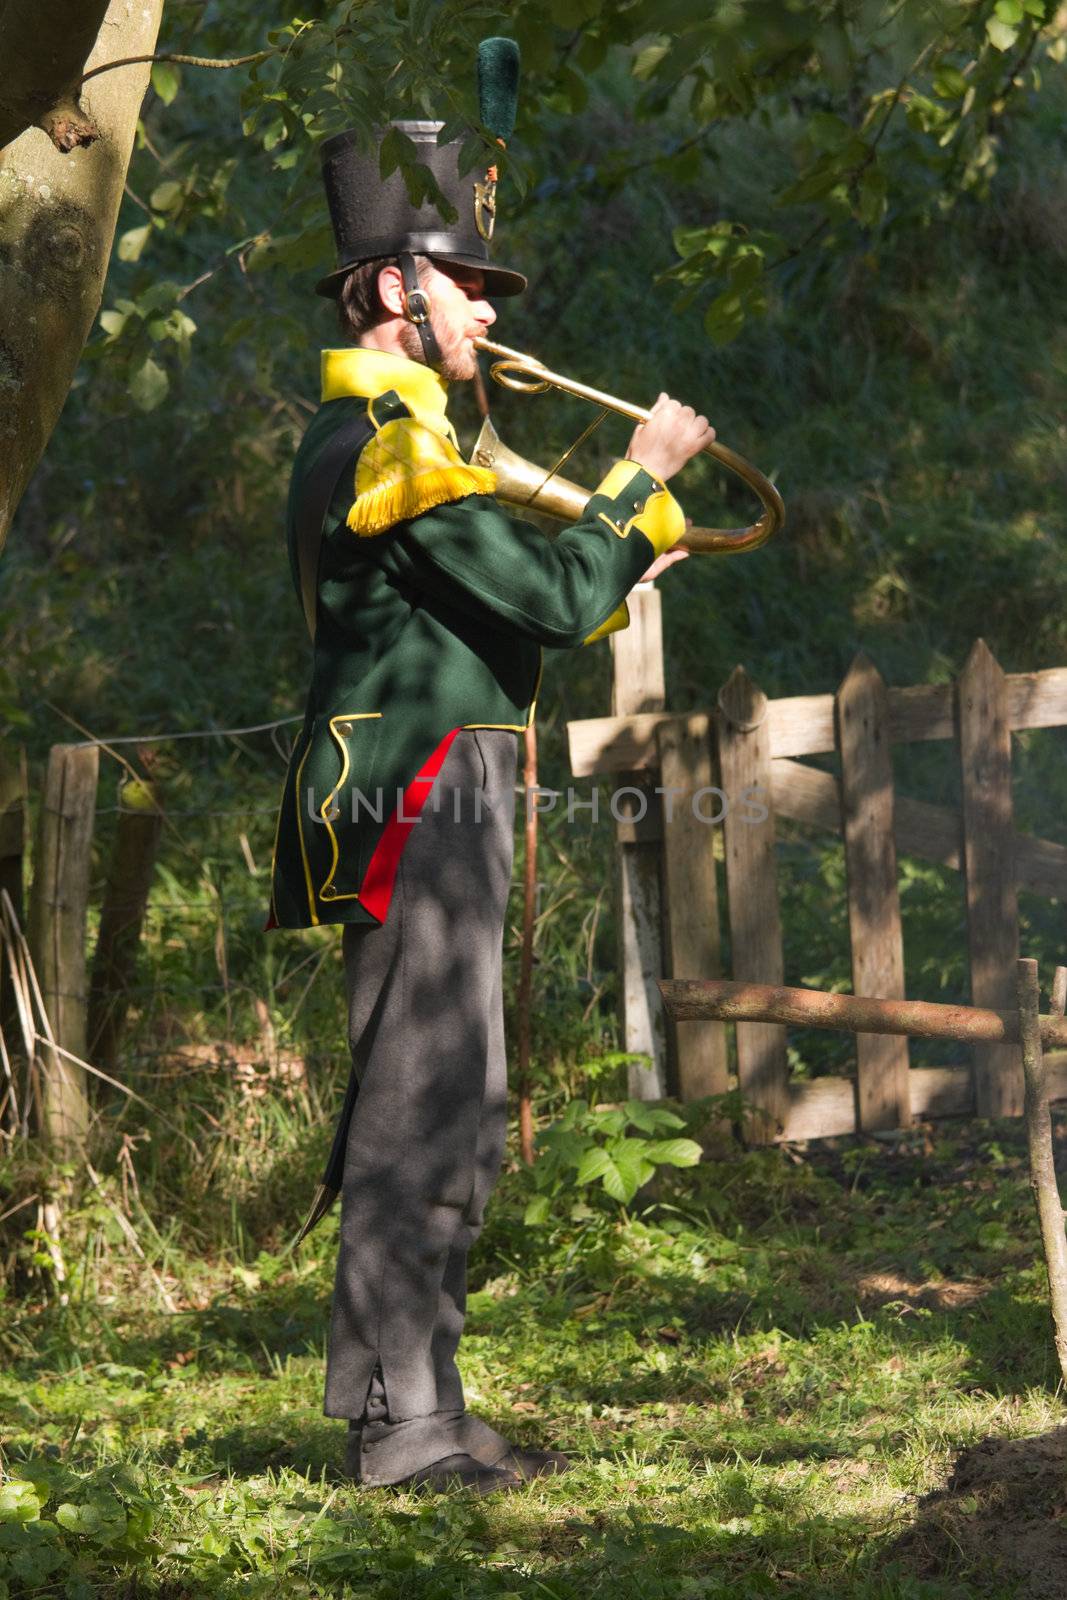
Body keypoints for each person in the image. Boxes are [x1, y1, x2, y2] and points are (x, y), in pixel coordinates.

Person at [267, 54, 715, 1496]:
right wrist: (640, 487)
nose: (486, 312)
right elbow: (550, 598)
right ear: (396, 288)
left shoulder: (413, 441)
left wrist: (616, 531)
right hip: (412, 799)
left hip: (443, 786)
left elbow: (524, 587)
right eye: (468, 286)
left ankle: (432, 1402)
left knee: (459, 1099)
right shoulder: (386, 443)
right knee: (417, 1108)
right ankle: (396, 1424)